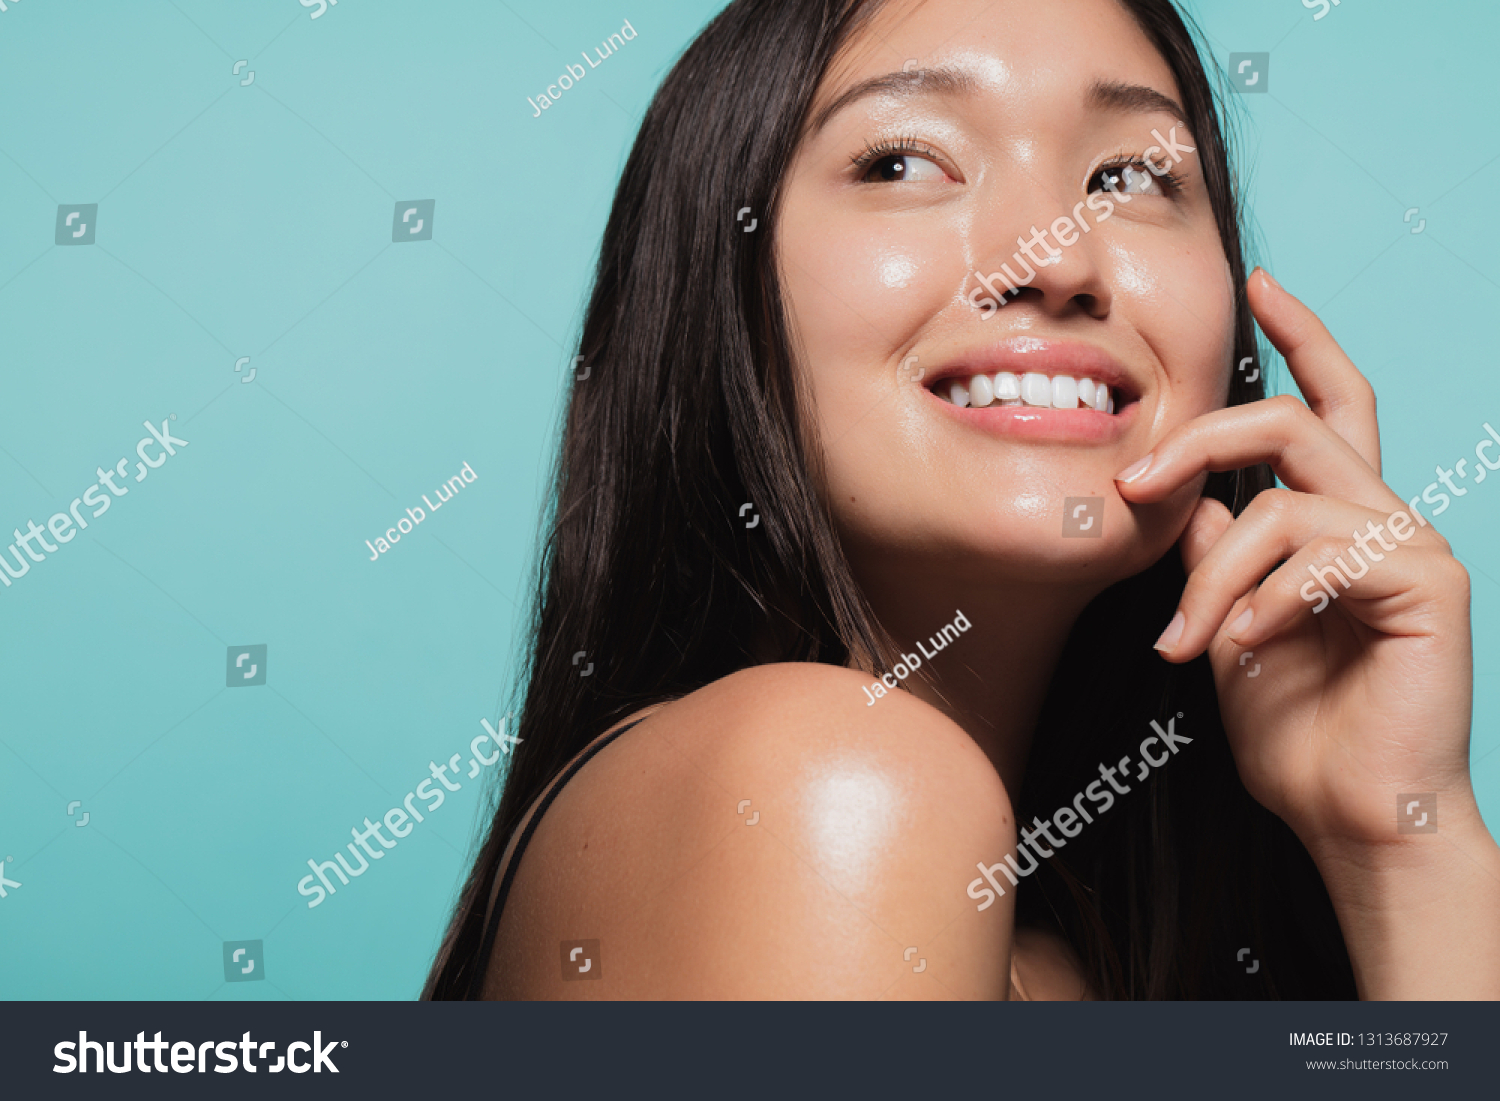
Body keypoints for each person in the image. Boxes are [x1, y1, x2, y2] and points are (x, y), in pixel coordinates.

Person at [423, 0, 1500, 1000]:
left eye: (1131, 177)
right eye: (903, 159)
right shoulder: (823, 786)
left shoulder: (1068, 932)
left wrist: (1400, 845)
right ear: (721, 280)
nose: (1058, 256)